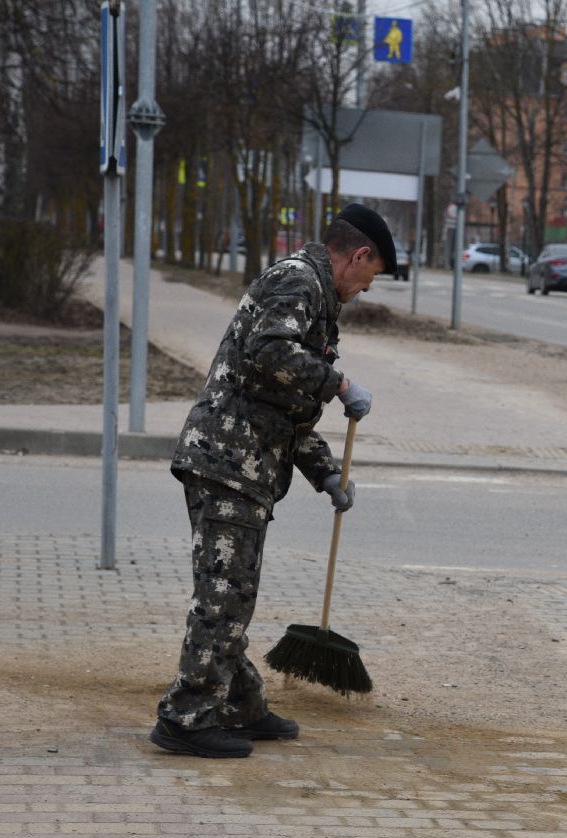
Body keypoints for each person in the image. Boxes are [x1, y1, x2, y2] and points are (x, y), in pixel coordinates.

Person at [149, 203, 395, 760]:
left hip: (246, 462)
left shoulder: (315, 299)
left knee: (233, 592)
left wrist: (326, 472)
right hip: (227, 460)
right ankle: (186, 716)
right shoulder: (297, 282)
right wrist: (338, 382)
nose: (366, 289)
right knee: (223, 595)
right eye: (371, 276)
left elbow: (286, 405)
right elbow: (269, 353)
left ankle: (239, 702)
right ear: (357, 256)